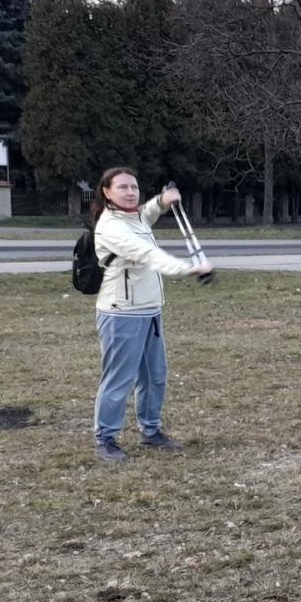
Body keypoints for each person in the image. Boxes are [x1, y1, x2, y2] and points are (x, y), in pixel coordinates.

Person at [89, 167, 213, 463]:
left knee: (154, 377)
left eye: (134, 187)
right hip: (122, 314)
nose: (130, 192)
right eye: (123, 187)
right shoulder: (111, 227)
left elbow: (147, 213)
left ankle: (151, 431)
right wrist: (189, 268)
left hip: (150, 311)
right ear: (107, 192)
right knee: (119, 379)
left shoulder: (133, 218)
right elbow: (148, 254)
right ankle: (105, 439)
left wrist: (162, 200)